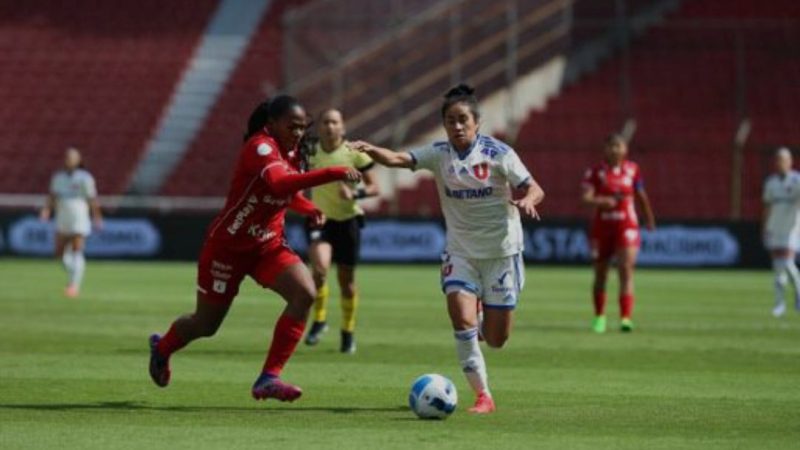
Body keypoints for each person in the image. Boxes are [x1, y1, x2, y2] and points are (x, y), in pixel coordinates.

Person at [148, 95, 362, 402]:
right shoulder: (259, 147)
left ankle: (268, 377)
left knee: (305, 293)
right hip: (228, 249)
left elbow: (287, 195)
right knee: (206, 325)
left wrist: (307, 208)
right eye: (293, 126)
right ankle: (163, 347)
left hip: (267, 245)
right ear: (271, 124)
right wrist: (334, 172)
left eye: (303, 127)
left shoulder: (295, 151)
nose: (299, 132)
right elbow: (277, 184)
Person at [351, 84, 544, 414]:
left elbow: (533, 187)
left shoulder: (499, 154)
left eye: (463, 120)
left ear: (477, 122)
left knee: (496, 340)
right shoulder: (439, 154)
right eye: (450, 120)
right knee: (461, 322)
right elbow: (400, 158)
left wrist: (527, 200)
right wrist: (370, 150)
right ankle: (483, 396)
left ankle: (484, 315)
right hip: (460, 254)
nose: (457, 126)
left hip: (501, 254)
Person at [304, 109, 380, 354]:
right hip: (321, 220)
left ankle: (347, 331)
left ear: (343, 127)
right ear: (319, 127)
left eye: (334, 122)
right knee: (319, 269)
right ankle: (320, 320)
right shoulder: (311, 152)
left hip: (348, 221)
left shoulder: (353, 154)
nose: (329, 126)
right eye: (325, 122)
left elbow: (375, 187)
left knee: (346, 283)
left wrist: (355, 193)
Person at [580, 134, 655, 333]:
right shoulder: (595, 172)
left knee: (626, 269)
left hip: (626, 225)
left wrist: (649, 218)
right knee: (601, 274)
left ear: (625, 149)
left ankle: (625, 318)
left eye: (618, 146)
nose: (615, 149)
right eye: (611, 146)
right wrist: (602, 202)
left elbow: (640, 195)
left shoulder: (633, 170)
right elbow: (585, 198)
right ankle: (599, 317)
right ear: (605, 149)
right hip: (602, 227)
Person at [39, 148, 103, 298]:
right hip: (62, 216)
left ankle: (74, 285)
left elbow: (92, 199)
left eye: (72, 157)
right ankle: (73, 273)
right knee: (59, 253)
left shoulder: (85, 178)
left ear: (78, 160)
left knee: (76, 249)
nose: (68, 160)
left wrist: (97, 217)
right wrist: (46, 210)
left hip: (79, 216)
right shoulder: (58, 177)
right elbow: (52, 196)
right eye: (67, 157)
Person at [762, 147, 800, 317]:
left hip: (792, 229)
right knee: (778, 268)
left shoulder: (797, 181)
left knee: (787, 264)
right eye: (778, 160)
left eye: (783, 159)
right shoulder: (771, 183)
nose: (780, 163)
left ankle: (798, 293)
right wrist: (764, 227)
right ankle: (780, 304)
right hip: (775, 228)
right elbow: (767, 206)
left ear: (790, 161)